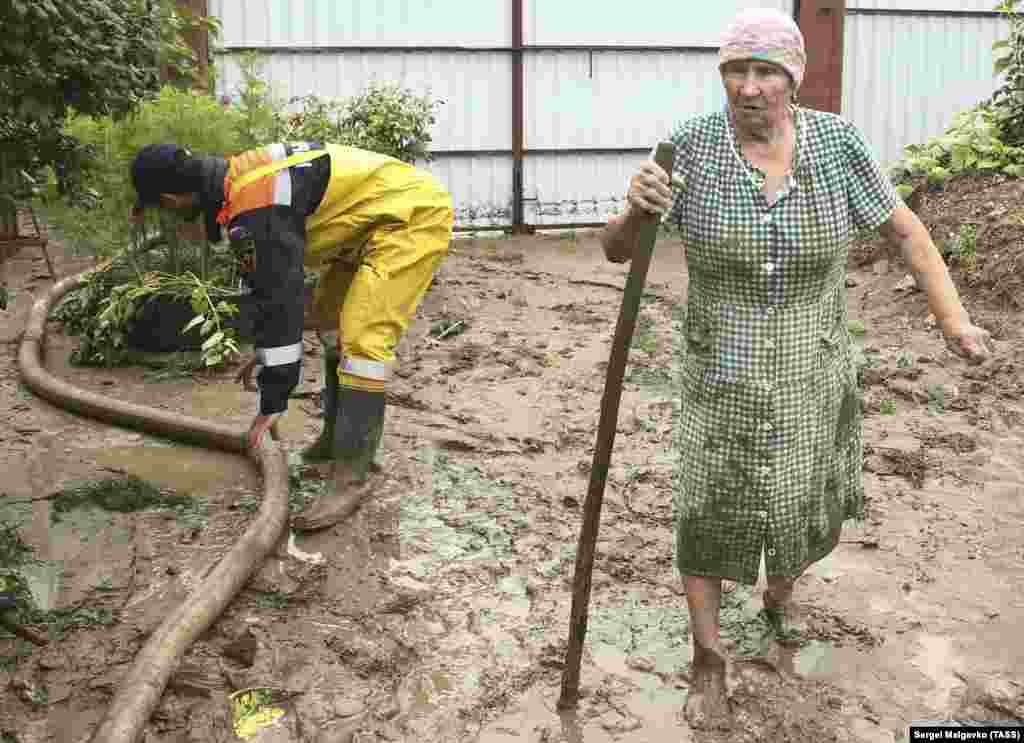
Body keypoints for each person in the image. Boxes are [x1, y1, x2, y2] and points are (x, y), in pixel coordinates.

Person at [602, 7, 993, 730]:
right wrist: (632, 211)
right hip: (719, 376)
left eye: (765, 72)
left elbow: (904, 230)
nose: (748, 88)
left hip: (813, 374)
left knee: (802, 507)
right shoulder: (688, 148)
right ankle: (709, 656)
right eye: (734, 70)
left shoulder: (838, 144)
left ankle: (781, 590)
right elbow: (617, 252)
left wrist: (954, 319)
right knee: (708, 511)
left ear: (793, 78)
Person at [130, 141, 453, 530]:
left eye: (164, 209)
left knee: (363, 342)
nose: (170, 219)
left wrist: (272, 401)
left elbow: (281, 300)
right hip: (371, 222)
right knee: (330, 325)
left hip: (409, 217)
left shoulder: (254, 211)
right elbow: (273, 296)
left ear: (171, 197)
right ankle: (334, 443)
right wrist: (269, 350)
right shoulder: (239, 185)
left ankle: (352, 476)